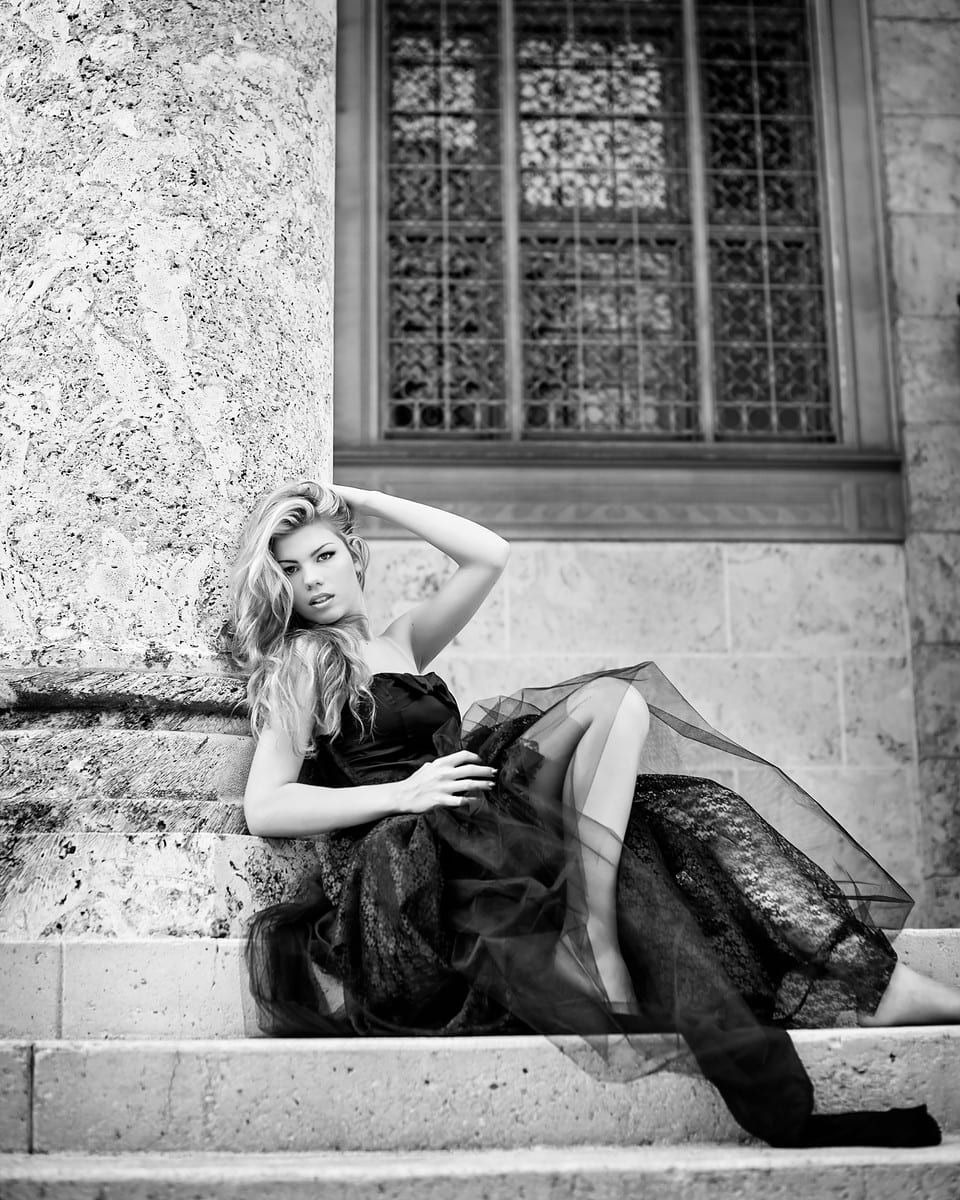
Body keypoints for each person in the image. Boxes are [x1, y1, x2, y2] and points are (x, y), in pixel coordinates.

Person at [229, 480, 960, 1148]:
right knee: (616, 718)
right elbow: (266, 804)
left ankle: (876, 986)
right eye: (290, 570)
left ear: (354, 553)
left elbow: (489, 555)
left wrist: (360, 498)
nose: (312, 579)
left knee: (681, 812)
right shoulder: (304, 662)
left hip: (480, 820)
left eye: (325, 555)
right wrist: (403, 793)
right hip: (420, 856)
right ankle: (598, 937)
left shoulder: (401, 640)